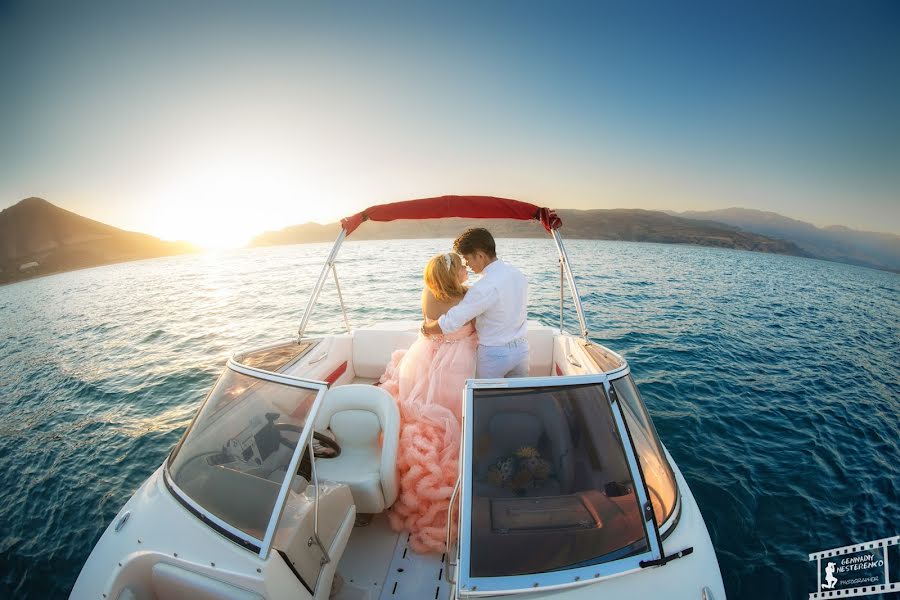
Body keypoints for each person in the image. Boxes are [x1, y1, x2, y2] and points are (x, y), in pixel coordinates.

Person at [379, 252, 477, 553]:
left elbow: (430, 327)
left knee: (420, 400)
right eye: (462, 267)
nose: (466, 270)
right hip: (458, 359)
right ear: (453, 275)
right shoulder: (469, 297)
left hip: (427, 355)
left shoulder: (428, 293)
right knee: (456, 408)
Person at [421, 227, 529, 378]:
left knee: (486, 400)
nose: (467, 264)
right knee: (518, 397)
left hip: (494, 356)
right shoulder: (517, 274)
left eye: (467, 258)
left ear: (480, 255)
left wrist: (425, 329)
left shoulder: (483, 287)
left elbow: (451, 322)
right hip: (521, 352)